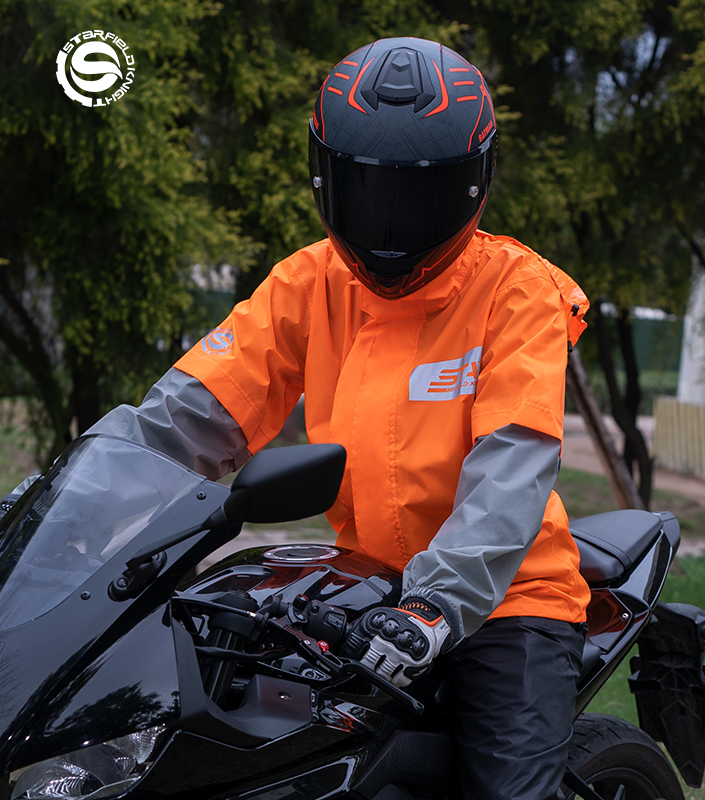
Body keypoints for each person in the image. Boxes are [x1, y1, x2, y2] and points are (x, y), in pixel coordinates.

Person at [5, 37, 591, 800]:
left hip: (506, 598)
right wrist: (60, 514)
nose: (390, 223)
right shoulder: (307, 282)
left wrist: (436, 605)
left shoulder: (518, 290)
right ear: (326, 178)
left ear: (473, 184)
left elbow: (509, 470)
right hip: (365, 590)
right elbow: (180, 422)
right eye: (367, 190)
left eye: (418, 195)